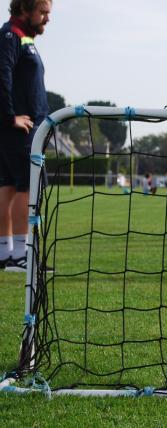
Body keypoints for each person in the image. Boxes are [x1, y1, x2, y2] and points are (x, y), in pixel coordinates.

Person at [0, 0, 52, 272]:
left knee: (8, 187)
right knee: (25, 186)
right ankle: (20, 256)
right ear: (24, 10)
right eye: (43, 12)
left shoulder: (24, 37)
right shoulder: (11, 35)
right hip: (21, 130)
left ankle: (5, 253)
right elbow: (2, 76)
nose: (47, 18)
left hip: (25, 130)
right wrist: (10, 117)